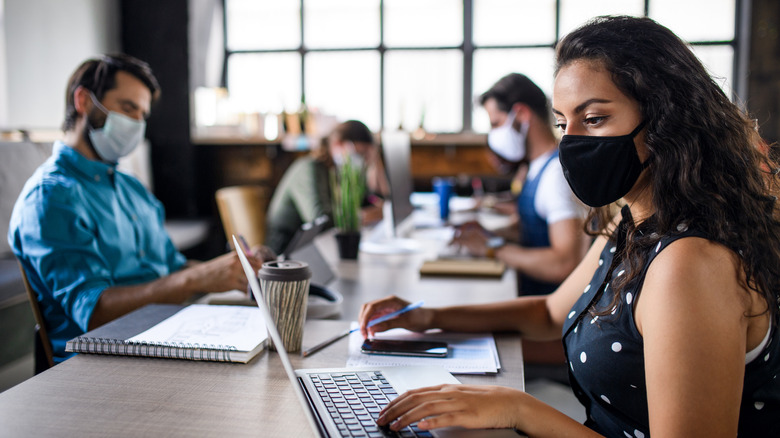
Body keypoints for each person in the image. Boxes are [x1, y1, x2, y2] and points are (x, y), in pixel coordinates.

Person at [359, 16, 780, 437]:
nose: (571, 142)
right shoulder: (632, 222)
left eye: (593, 119)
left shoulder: (689, 263)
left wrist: (519, 409)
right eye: (563, 123)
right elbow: (547, 312)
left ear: (665, 120)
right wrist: (428, 316)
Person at [8, 54, 272, 364]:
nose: (136, 123)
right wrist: (196, 279)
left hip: (167, 337)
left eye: (142, 114)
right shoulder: (50, 198)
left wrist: (232, 270)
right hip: (102, 365)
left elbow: (171, 271)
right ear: (84, 101)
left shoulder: (132, 189)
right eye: (128, 108)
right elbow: (95, 313)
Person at [458, 73, 590, 296]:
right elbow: (532, 230)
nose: (494, 134)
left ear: (521, 114)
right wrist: (489, 234)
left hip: (548, 314)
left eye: (496, 123)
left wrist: (491, 249)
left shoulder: (557, 175)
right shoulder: (536, 167)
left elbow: (565, 262)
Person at [265, 120, 389, 254]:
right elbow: (319, 219)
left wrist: (375, 165)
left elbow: (369, 200)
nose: (363, 161)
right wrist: (363, 217)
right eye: (361, 153)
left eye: (368, 157)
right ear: (338, 143)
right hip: (288, 252)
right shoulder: (308, 169)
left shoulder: (343, 173)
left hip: (320, 249)